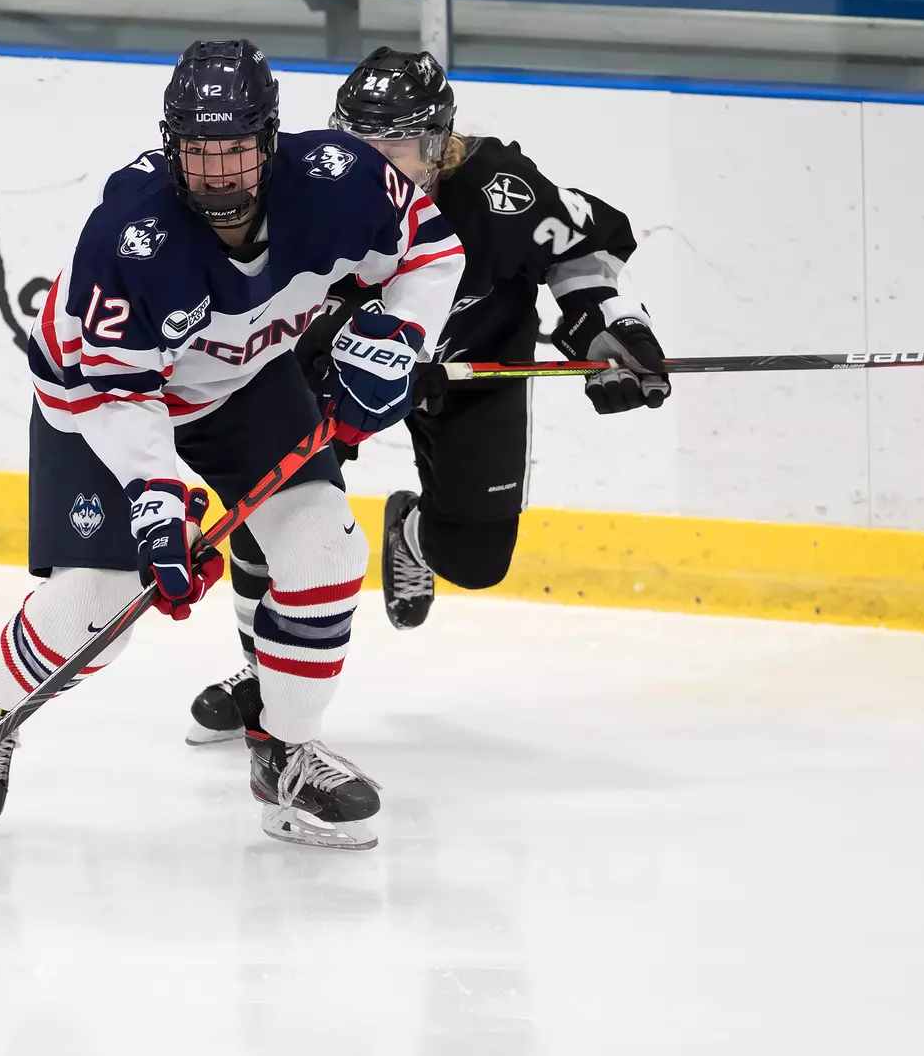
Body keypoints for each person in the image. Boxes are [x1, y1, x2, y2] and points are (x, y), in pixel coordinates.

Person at [0, 40, 464, 849]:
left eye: (234, 148)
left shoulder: (338, 179)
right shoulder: (130, 234)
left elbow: (432, 251)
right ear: (171, 146)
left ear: (270, 141)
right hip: (100, 401)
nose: (217, 171)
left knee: (326, 555)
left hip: (244, 381)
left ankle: (283, 752)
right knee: (99, 609)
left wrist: (397, 335)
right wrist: (158, 501)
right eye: (198, 150)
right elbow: (119, 392)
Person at [186, 47, 669, 746]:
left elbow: (578, 253)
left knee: (476, 561)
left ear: (440, 147)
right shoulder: (305, 190)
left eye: (400, 147)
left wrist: (609, 330)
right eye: (361, 144)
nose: (377, 165)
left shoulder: (501, 192)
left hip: (470, 369)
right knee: (268, 515)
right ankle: (263, 676)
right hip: (339, 373)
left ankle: (408, 531)